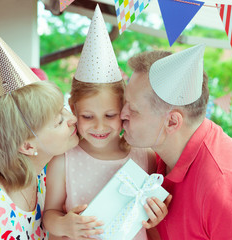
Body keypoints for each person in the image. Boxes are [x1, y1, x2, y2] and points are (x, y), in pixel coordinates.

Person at [120, 44, 232, 240]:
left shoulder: (226, 185)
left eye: (134, 109)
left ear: (172, 122)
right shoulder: (158, 158)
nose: (122, 114)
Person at [43, 6, 170, 240]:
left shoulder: (145, 155)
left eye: (110, 116)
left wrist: (155, 217)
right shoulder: (64, 159)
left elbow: (149, 225)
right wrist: (64, 225)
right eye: (88, 116)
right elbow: (49, 213)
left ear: (123, 110)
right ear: (74, 110)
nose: (99, 127)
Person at [0, 25, 79, 239]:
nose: (73, 118)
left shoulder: (45, 172)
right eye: (59, 120)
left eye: (64, 109)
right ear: (27, 145)